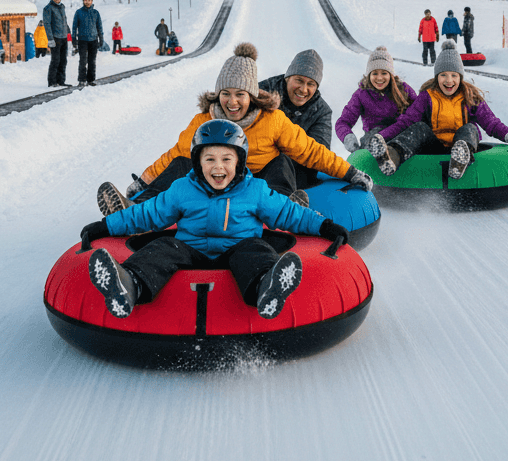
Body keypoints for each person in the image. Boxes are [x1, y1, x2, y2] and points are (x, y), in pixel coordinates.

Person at [87, 121, 349, 320]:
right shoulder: (182, 189)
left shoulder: (255, 190)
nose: (218, 167)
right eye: (209, 159)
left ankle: (267, 287)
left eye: (226, 159)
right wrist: (105, 226)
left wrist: (325, 226)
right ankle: (128, 285)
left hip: (238, 248)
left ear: (240, 162)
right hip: (191, 251)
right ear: (197, 162)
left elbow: (289, 213)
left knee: (255, 249)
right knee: (164, 247)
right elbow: (146, 214)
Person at [97, 42, 373, 214]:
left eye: (240, 94)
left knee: (281, 163)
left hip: (258, 186)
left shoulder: (273, 119)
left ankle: (286, 212)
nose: (232, 101)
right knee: (183, 163)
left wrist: (350, 173)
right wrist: (142, 182)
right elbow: (174, 155)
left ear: (252, 95)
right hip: (214, 182)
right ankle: (133, 209)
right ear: (217, 95)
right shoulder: (205, 120)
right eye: (226, 93)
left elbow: (312, 151)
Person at [368, 41, 508, 180]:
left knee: (470, 128)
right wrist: (381, 138)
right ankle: (391, 158)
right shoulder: (427, 97)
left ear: (460, 77)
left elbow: (491, 122)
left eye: (454, 75)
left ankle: (459, 162)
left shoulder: (470, 97)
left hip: (462, 147)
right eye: (443, 75)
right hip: (434, 146)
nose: (449, 80)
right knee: (419, 128)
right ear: (437, 77)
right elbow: (405, 122)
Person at [258, 49, 332, 197]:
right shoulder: (263, 93)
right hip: (259, 162)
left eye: (310, 84)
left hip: (296, 171)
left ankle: (291, 202)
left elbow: (318, 151)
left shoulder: (321, 111)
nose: (303, 89)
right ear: (288, 78)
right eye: (299, 80)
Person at [335, 47, 416, 151]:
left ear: (390, 74)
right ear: (369, 75)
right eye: (375, 73)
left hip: (400, 134)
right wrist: (348, 137)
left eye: (384, 73)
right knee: (375, 133)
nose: (379, 78)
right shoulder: (361, 94)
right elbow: (343, 122)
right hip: (373, 139)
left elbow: (418, 111)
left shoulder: (403, 89)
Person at [72, 0, 104, 86]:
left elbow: (99, 27)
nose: (87, 2)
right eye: (85, 0)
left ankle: (91, 80)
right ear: (83, 1)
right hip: (82, 40)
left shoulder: (96, 13)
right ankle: (82, 80)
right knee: (83, 60)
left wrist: (101, 38)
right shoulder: (78, 12)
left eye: (89, 0)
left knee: (92, 61)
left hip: (93, 40)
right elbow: (74, 27)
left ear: (92, 1)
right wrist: (74, 39)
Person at [42, 0, 69, 87]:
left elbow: (64, 21)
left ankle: (61, 81)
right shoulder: (48, 8)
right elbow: (47, 24)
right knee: (55, 60)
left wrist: (68, 32)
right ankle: (52, 82)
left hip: (63, 37)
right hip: (55, 38)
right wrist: (50, 39)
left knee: (63, 60)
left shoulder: (62, 7)